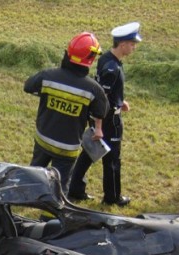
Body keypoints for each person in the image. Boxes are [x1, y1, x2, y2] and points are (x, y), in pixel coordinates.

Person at [68, 22, 142, 206]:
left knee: (89, 153)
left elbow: (104, 90)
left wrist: (120, 100)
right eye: (132, 44)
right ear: (123, 44)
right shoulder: (113, 68)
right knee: (112, 160)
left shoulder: (107, 59)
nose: (134, 47)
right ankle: (112, 197)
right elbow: (102, 97)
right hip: (109, 121)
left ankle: (75, 188)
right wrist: (99, 126)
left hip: (101, 117)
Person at [25, 32, 109, 193]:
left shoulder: (47, 76)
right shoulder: (93, 89)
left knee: (33, 175)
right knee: (60, 186)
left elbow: (28, 86)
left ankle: (27, 198)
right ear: (90, 59)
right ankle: (51, 216)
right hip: (67, 147)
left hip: (43, 140)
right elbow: (101, 111)